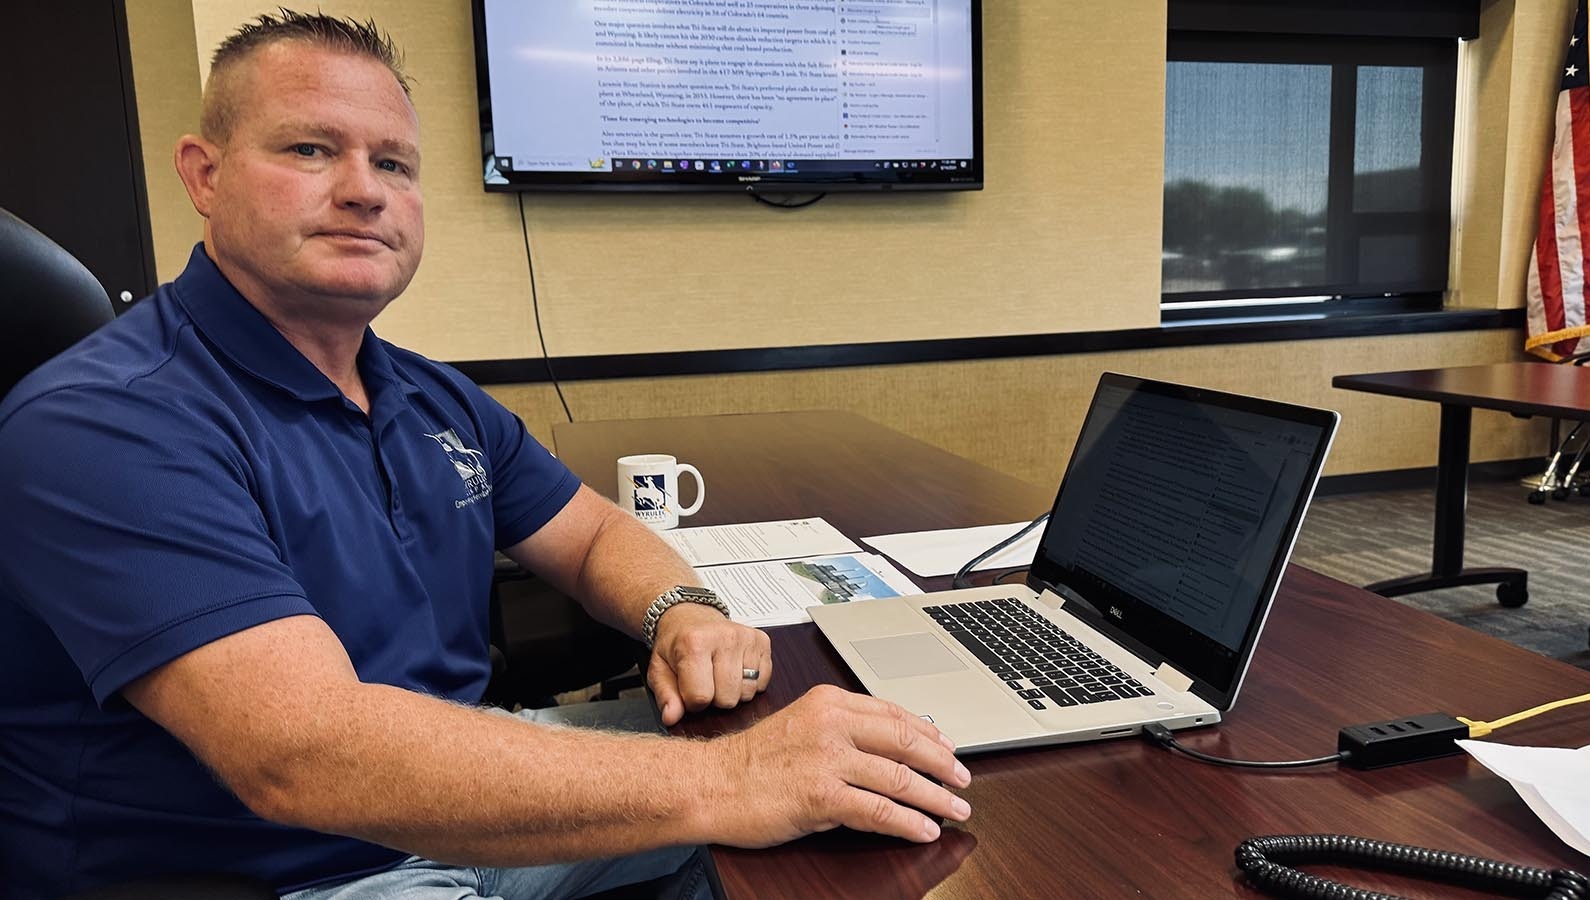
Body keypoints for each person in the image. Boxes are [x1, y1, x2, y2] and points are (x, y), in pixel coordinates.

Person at [0, 10, 971, 900]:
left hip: (455, 791)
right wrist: (731, 779)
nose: (362, 191)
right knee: (757, 786)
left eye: (394, 164)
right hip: (278, 871)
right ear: (204, 174)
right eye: (310, 149)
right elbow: (304, 752)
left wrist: (683, 613)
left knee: (885, 782)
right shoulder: (103, 421)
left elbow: (591, 536)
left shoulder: (426, 394)